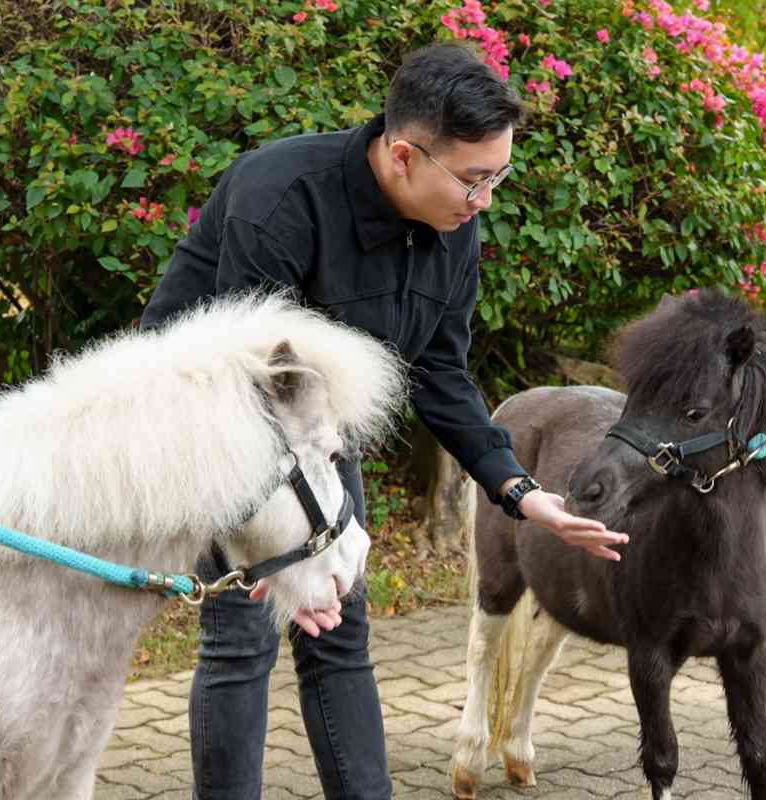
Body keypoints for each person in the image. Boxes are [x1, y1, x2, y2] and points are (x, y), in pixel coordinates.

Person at [139, 42, 630, 800]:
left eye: (498, 176)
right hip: (219, 429)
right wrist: (265, 542)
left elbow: (440, 372)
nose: (485, 200)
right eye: (474, 179)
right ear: (404, 155)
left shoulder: (452, 225)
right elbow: (242, 386)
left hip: (321, 442)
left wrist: (523, 495)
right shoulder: (281, 198)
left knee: (340, 635)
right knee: (241, 638)